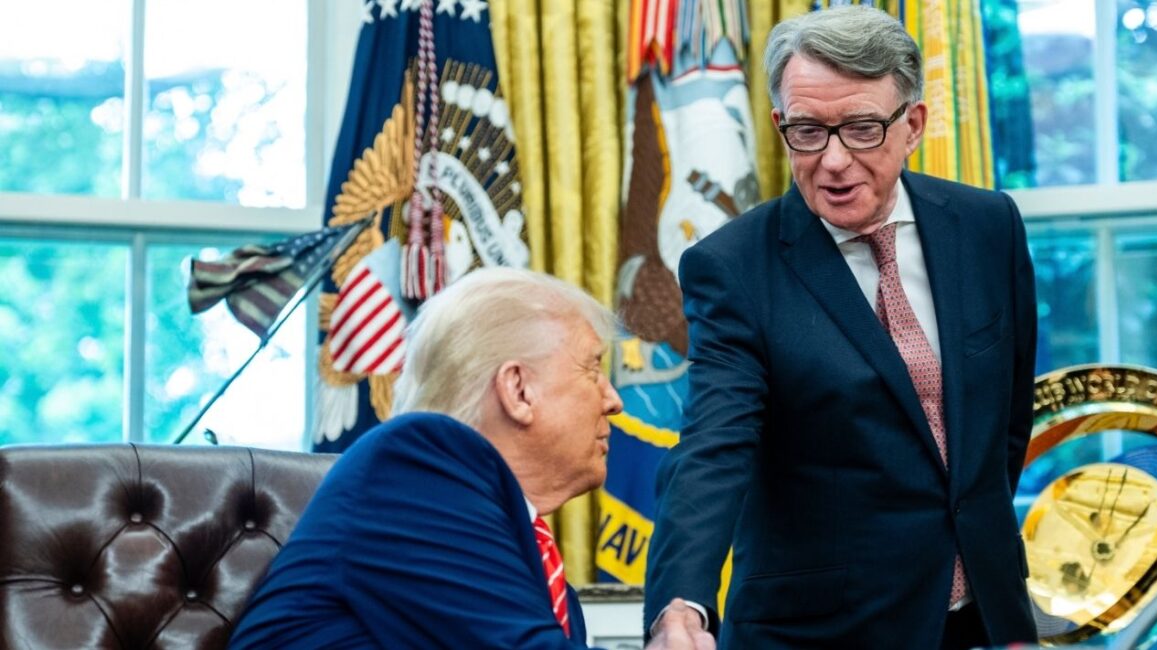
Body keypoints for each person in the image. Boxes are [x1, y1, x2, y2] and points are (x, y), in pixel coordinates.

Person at [642, 6, 1038, 650]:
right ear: (779, 125)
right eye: (807, 131)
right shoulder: (732, 268)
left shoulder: (988, 226)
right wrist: (680, 606)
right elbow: (714, 446)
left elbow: (1005, 420)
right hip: (824, 630)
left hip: (985, 616)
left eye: (860, 129)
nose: (832, 160)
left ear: (912, 125)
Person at [230, 267, 714, 649]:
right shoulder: (412, 462)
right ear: (518, 389)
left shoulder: (536, 566)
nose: (614, 401)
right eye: (592, 369)